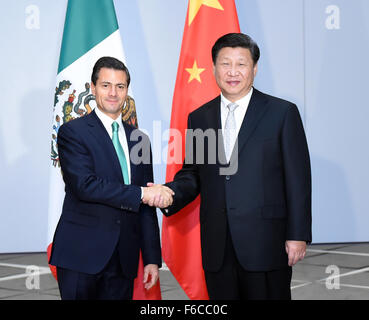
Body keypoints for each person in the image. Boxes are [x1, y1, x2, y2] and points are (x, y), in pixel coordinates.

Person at [153, 33, 312, 300]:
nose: (233, 72)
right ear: (214, 68)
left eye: (241, 64)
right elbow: (193, 173)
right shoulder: (200, 117)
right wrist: (169, 192)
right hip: (218, 245)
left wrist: (297, 235)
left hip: (265, 243)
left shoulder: (282, 113)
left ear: (255, 69)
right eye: (225, 63)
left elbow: (298, 179)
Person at [49, 56, 173, 300]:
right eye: (106, 85)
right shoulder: (72, 132)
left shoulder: (140, 139)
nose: (113, 93)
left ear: (127, 89)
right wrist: (141, 194)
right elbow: (85, 186)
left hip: (123, 260)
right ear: (93, 88)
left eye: (120, 86)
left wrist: (150, 258)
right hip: (80, 256)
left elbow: (146, 206)